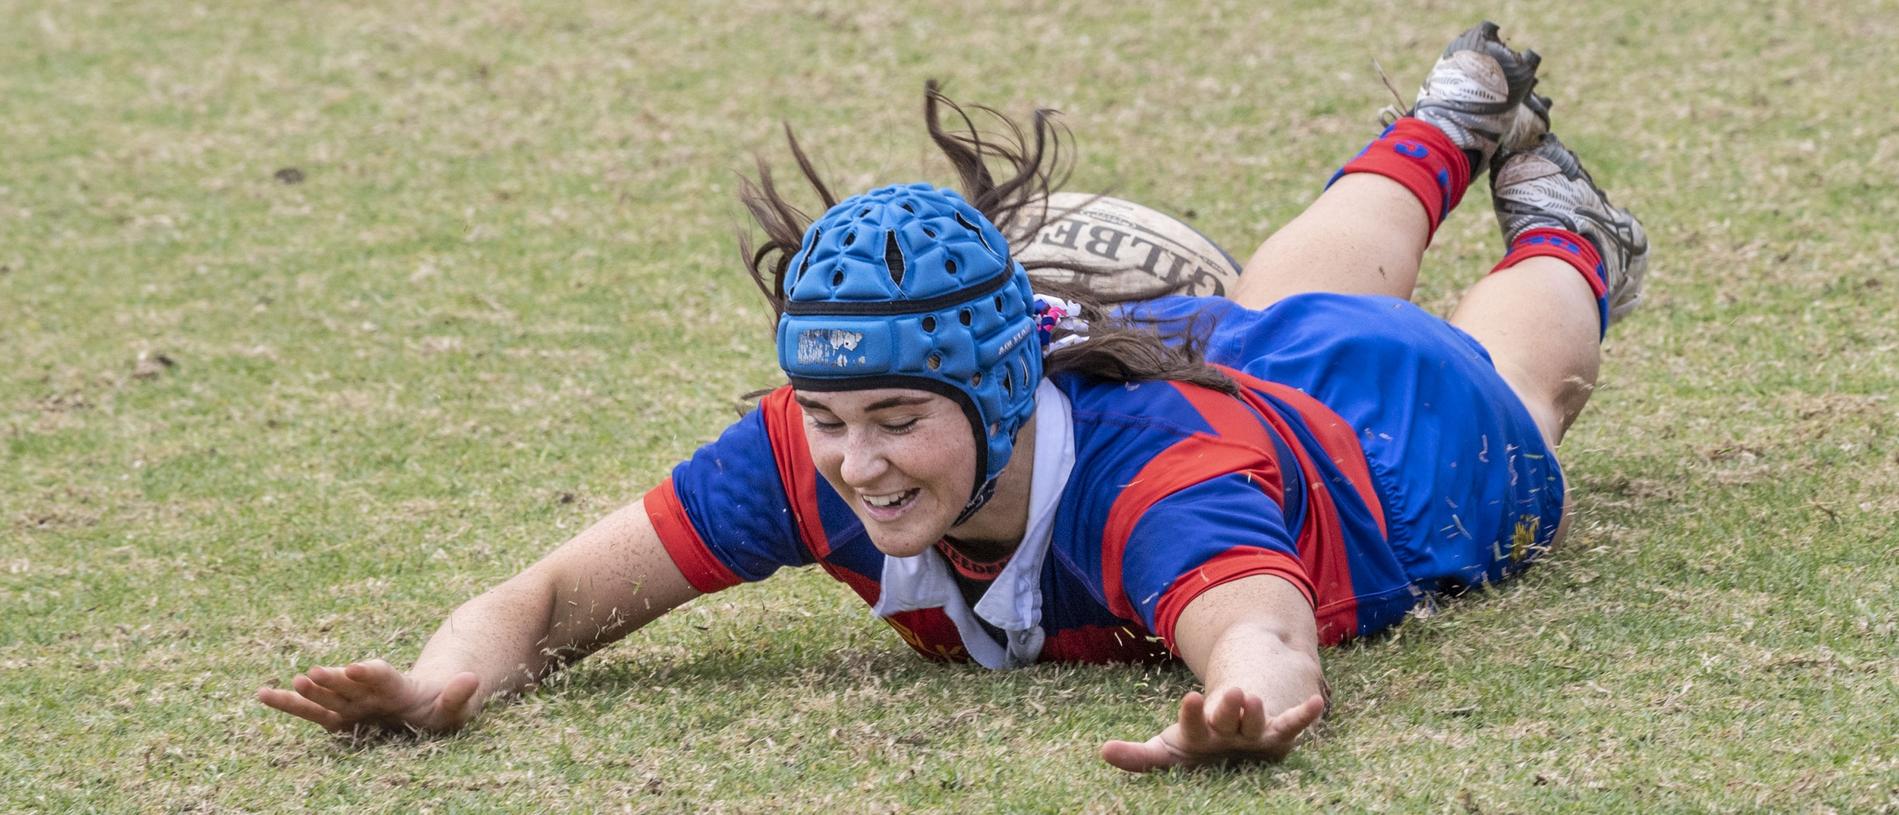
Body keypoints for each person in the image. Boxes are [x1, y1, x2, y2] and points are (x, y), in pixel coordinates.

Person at [258, 22, 1648, 772]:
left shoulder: (1150, 494)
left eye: (895, 422)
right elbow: (548, 604)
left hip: (1383, 451)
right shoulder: (805, 457)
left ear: (997, 389)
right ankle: (1448, 122)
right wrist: (449, 681)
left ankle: (1569, 229)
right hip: (1189, 349)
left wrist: (1245, 698)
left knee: (1520, 383)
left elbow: (1263, 624)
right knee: (1278, 302)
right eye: (831, 415)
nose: (855, 465)